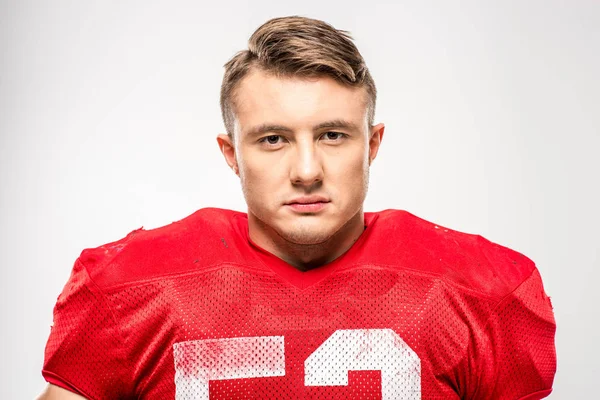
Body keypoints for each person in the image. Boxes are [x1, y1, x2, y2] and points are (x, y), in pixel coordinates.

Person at [38, 16, 556, 400]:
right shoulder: (128, 289)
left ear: (371, 145)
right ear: (231, 154)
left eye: (333, 135)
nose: (307, 170)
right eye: (272, 139)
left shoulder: (482, 290)